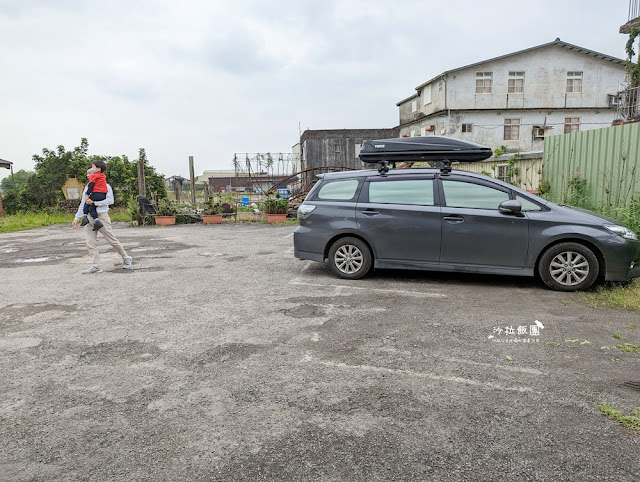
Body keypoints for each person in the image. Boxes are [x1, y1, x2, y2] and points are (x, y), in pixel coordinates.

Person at [72, 167, 133, 274]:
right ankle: (96, 266)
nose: (88, 175)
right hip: (89, 217)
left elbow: (110, 200)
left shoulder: (106, 186)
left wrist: (95, 203)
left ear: (97, 173)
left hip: (101, 217)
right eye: (87, 173)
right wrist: (77, 217)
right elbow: (83, 203)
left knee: (111, 240)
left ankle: (126, 257)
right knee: (90, 243)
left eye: (90, 172)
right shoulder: (87, 188)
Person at [80, 160, 108, 231]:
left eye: (93, 167)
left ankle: (85, 217)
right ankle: (97, 221)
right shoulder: (103, 176)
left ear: (98, 169)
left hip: (96, 193)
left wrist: (87, 194)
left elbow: (91, 186)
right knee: (91, 207)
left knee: (86, 203)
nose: (92, 169)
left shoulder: (94, 176)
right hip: (103, 195)